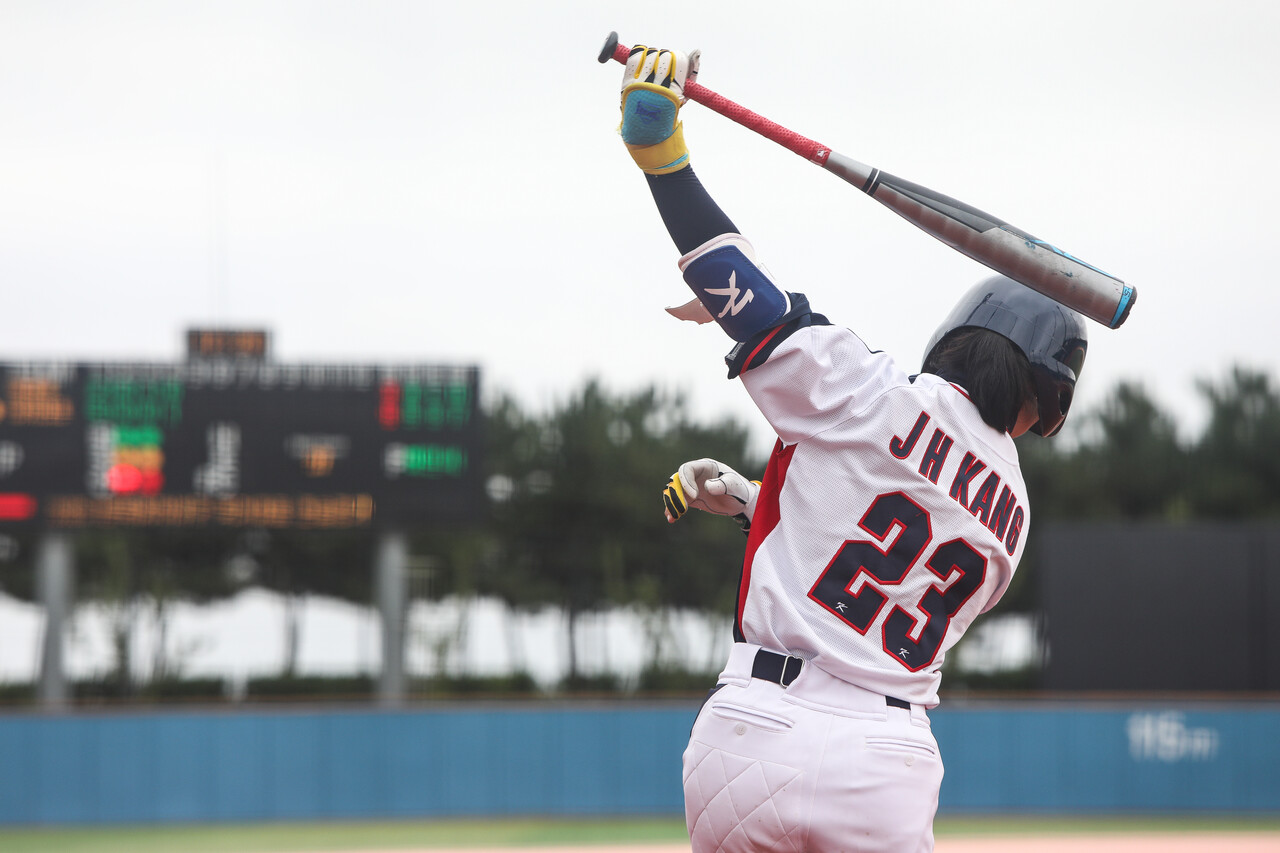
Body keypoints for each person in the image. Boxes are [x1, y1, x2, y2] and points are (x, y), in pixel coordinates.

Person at [615, 45, 1089, 852]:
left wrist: (662, 156)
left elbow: (742, 288)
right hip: (886, 757)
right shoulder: (1011, 520)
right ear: (1042, 405)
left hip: (753, 732)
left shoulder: (871, 391)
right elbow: (885, 565)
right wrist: (760, 500)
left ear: (956, 336)